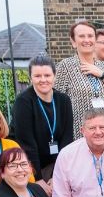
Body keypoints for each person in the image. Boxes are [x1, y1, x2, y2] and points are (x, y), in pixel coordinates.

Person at [10, 56, 74, 187]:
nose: (43, 80)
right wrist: (38, 178)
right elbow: (27, 144)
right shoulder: (23, 102)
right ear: (31, 78)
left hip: (56, 164)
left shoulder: (64, 100)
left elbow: (66, 140)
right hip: (29, 165)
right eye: (37, 76)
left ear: (54, 76)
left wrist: (57, 175)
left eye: (47, 75)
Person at [54, 20, 104, 136]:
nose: (87, 40)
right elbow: (56, 102)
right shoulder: (66, 66)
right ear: (73, 41)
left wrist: (103, 75)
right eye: (82, 36)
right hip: (79, 135)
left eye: (90, 36)